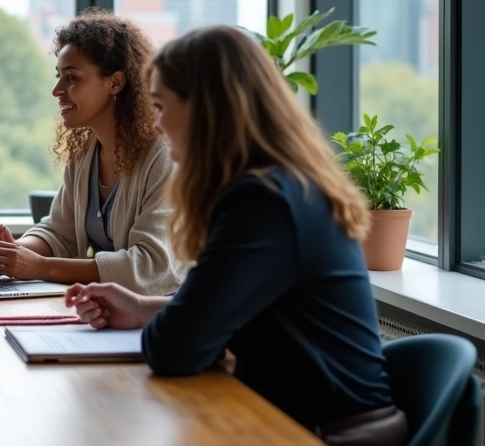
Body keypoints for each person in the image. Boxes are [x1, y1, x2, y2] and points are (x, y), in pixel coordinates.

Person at [67, 25, 407, 445]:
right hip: (300, 419)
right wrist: (142, 309)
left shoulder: (263, 202)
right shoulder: (282, 186)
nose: (155, 126)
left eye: (160, 106)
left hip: (320, 434)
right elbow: (219, 311)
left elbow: (177, 348)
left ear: (205, 108)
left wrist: (168, 321)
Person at [0, 11, 182, 293]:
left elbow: (150, 267)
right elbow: (60, 232)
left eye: (71, 78)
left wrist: (39, 266)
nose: (57, 90)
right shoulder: (85, 153)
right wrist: (11, 250)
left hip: (168, 315)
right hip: (116, 312)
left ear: (115, 83)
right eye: (59, 76)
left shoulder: (164, 156)